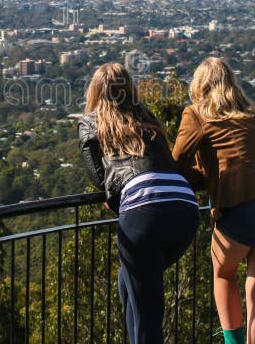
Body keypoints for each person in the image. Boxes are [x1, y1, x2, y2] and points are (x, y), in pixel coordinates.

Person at [172, 57, 255, 344]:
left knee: (224, 274)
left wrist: (202, 176)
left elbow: (176, 161)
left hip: (242, 206)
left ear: (199, 85)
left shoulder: (197, 113)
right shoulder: (251, 114)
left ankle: (233, 342)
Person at [78, 62, 199, 344]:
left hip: (144, 213)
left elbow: (100, 177)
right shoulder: (148, 118)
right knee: (129, 284)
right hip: (185, 208)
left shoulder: (90, 123)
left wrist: (115, 197)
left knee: (147, 310)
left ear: (95, 91)